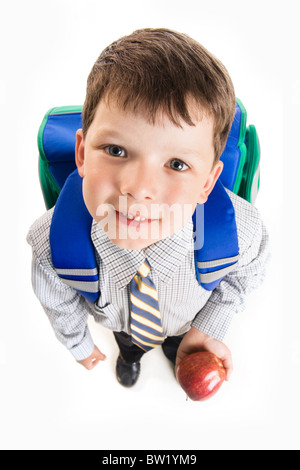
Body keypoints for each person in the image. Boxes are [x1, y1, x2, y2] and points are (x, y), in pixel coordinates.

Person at [27, 28, 269, 388]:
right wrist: (78, 344)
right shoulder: (51, 243)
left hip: (188, 318)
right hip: (122, 326)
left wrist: (208, 326)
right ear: (81, 153)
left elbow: (249, 269)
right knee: (129, 343)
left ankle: (176, 346)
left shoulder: (239, 231)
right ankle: (131, 356)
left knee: (177, 340)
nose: (138, 189)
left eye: (176, 164)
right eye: (116, 150)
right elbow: (58, 302)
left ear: (207, 182)